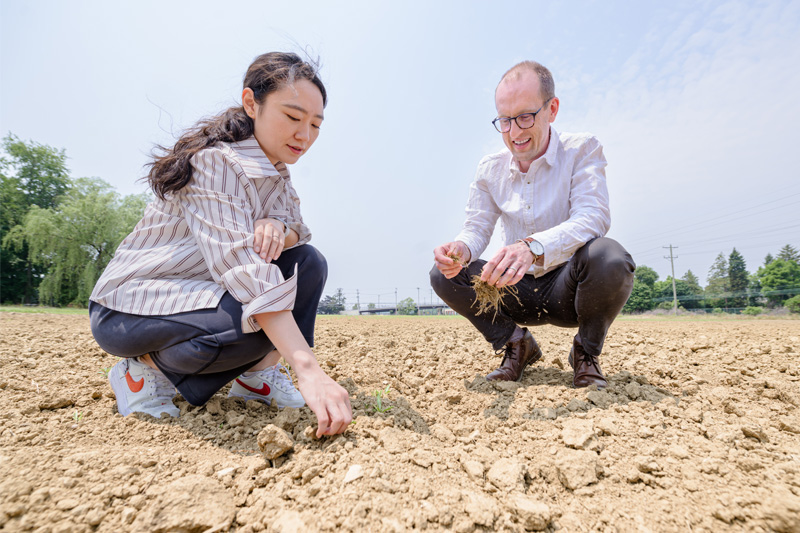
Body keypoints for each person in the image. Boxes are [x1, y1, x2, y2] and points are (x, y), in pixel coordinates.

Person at [89, 52, 352, 437]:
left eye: (315, 124)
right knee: (250, 318)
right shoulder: (215, 164)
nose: (305, 135)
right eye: (293, 118)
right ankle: (143, 371)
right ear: (251, 103)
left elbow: (300, 228)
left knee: (306, 263)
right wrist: (308, 370)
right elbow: (243, 268)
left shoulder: (277, 172)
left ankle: (257, 379)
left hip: (201, 296)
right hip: (132, 307)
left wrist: (279, 225)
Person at [431, 60, 635, 389]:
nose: (514, 132)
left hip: (569, 288)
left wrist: (533, 247)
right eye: (505, 120)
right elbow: (478, 227)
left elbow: (593, 216)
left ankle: (585, 352)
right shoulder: (489, 169)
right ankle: (516, 344)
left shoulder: (582, 149)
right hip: (515, 289)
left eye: (526, 116)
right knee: (443, 273)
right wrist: (461, 249)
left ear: (551, 109)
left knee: (610, 258)